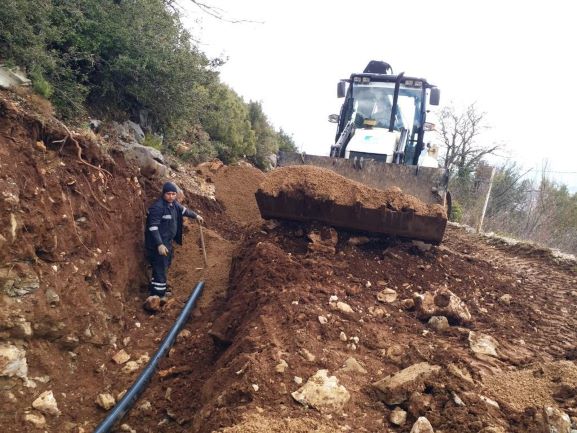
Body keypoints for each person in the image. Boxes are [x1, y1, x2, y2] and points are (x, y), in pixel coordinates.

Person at [144, 182, 204, 298]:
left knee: (165, 265)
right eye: (168, 194)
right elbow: (153, 227)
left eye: (173, 194)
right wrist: (159, 244)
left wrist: (196, 216)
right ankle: (158, 295)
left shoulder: (174, 205)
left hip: (168, 242)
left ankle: (157, 288)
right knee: (160, 266)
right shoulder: (158, 208)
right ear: (163, 194)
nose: (171, 196)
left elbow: (184, 211)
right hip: (159, 243)